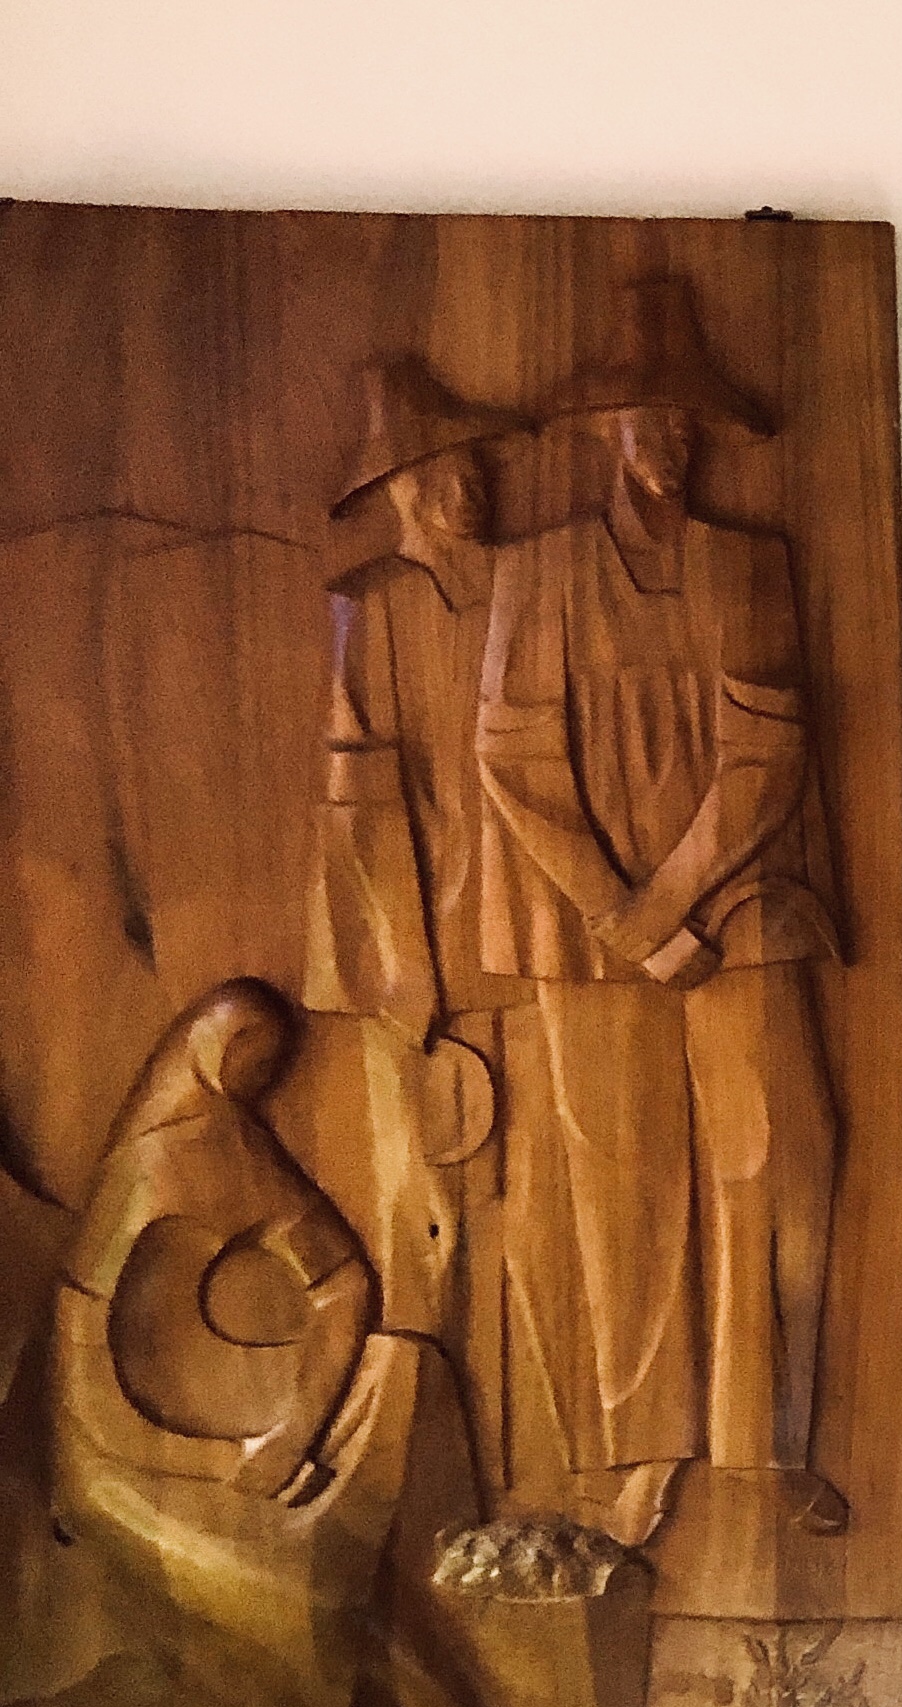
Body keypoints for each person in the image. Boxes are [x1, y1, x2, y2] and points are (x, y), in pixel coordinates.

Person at [474, 275, 845, 1546]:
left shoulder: (750, 566)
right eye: (652, 421)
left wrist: (674, 904)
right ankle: (642, 1454)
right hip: (585, 929)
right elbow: (512, 758)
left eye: (689, 425)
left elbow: (765, 754)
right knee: (620, 1178)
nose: (672, 445)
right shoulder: (537, 575)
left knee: (782, 1153)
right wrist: (620, 915)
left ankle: (765, 1441)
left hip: (740, 907)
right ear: (606, 432)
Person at [303, 356, 527, 1479]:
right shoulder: (373, 606)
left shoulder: (522, 593)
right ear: (401, 488)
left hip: (512, 944)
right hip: (407, 959)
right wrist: (404, 974)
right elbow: (359, 810)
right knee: (421, 1210)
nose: (473, 483)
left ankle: (513, 1459)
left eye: (479, 462)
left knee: (519, 1207)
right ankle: (414, 1459)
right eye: (449, 467)